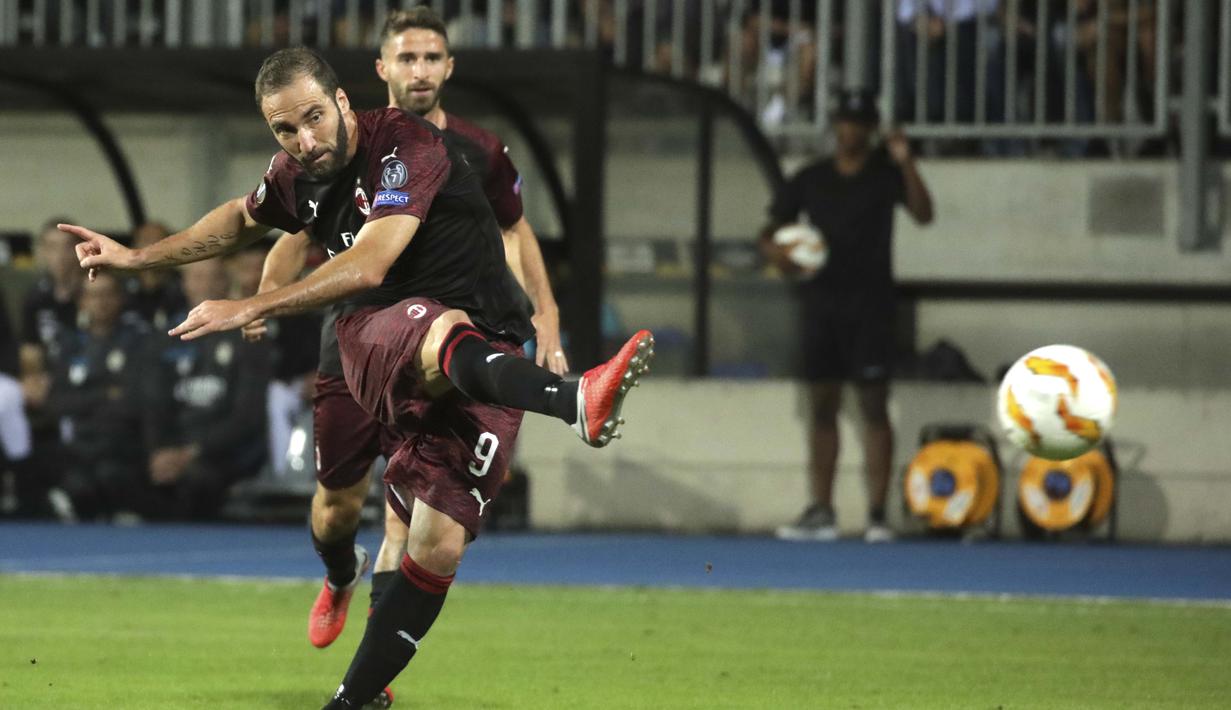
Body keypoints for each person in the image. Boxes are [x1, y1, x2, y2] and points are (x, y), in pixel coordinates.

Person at [64, 46, 652, 708]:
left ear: (344, 101)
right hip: (372, 336)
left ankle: (353, 700)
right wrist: (139, 257)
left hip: (487, 353)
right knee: (338, 504)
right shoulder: (297, 174)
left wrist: (250, 304)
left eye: (313, 118)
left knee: (437, 547)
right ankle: (566, 405)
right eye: (285, 130)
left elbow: (377, 255)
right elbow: (243, 219)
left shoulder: (406, 146)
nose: (304, 141)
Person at [241, 6, 573, 655]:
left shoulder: (477, 151)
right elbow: (293, 231)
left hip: (442, 343)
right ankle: (339, 572)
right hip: (358, 343)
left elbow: (513, 231)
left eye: (430, 58)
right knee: (335, 509)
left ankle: (375, 667)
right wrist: (262, 299)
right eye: (406, 58)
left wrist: (547, 322)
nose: (418, 71)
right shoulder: (346, 142)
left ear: (448, 67)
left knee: (407, 510)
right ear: (381, 69)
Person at [760, 89, 933, 543]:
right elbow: (770, 229)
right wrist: (780, 253)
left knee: (874, 405)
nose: (848, 129)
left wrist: (906, 161)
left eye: (858, 122)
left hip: (872, 306)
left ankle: (878, 513)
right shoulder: (812, 177)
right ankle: (822, 509)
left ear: (871, 130)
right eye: (843, 120)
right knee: (822, 406)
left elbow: (923, 213)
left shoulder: (883, 176)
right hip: (821, 305)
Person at [143, 259, 270, 520]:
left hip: (222, 452)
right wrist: (158, 450)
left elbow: (247, 416)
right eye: (197, 277)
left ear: (225, 282)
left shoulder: (249, 336)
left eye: (213, 278)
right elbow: (153, 404)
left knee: (196, 482)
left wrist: (192, 452)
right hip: (172, 446)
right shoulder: (166, 337)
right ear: (185, 284)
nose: (205, 286)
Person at [43, 271, 153, 522]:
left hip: (122, 445)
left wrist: (83, 398)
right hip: (77, 445)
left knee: (110, 474)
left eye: (107, 295)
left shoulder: (139, 342)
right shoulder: (68, 344)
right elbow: (56, 403)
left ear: (120, 299)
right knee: (75, 482)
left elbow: (133, 401)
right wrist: (104, 393)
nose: (101, 302)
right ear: (82, 302)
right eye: (93, 296)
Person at [123, 221, 187, 331]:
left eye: (159, 241)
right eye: (146, 240)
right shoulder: (122, 290)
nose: (152, 246)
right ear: (133, 247)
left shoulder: (185, 286)